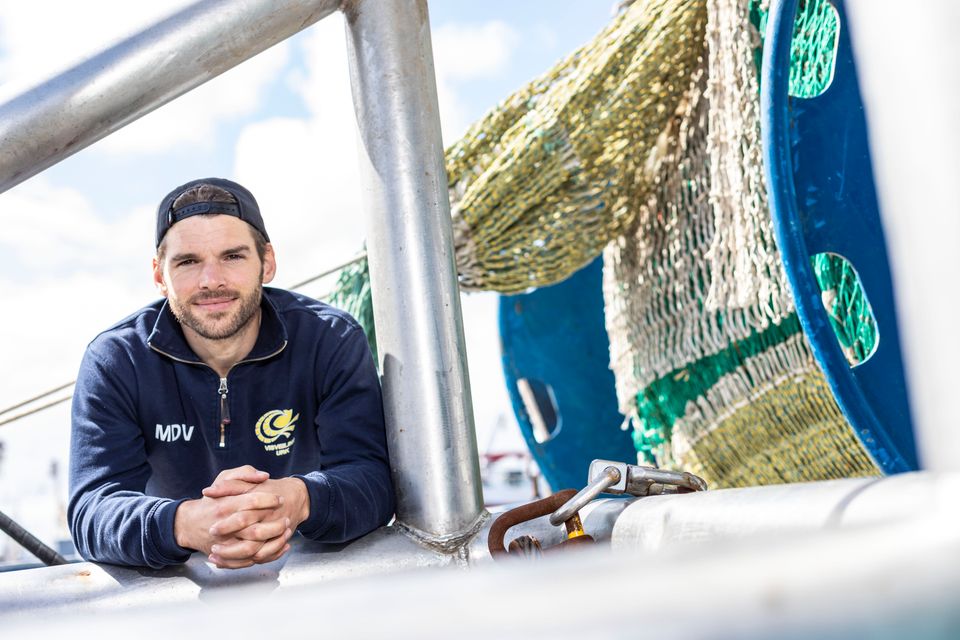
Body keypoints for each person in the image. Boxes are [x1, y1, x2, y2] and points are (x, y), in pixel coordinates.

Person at [68, 178, 394, 569]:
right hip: (176, 586)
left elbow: (375, 479)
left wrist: (297, 499)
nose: (211, 280)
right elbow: (92, 508)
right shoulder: (117, 360)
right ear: (159, 275)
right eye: (188, 262)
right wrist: (184, 523)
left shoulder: (330, 340)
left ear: (267, 262)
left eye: (233, 256)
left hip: (312, 575)